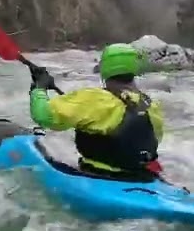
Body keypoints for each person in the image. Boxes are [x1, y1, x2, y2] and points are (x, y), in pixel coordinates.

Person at [27, 43, 165, 180]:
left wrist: (39, 88)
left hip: (99, 176)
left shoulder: (94, 99)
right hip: (141, 176)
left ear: (105, 68)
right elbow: (152, 140)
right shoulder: (150, 105)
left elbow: (43, 116)